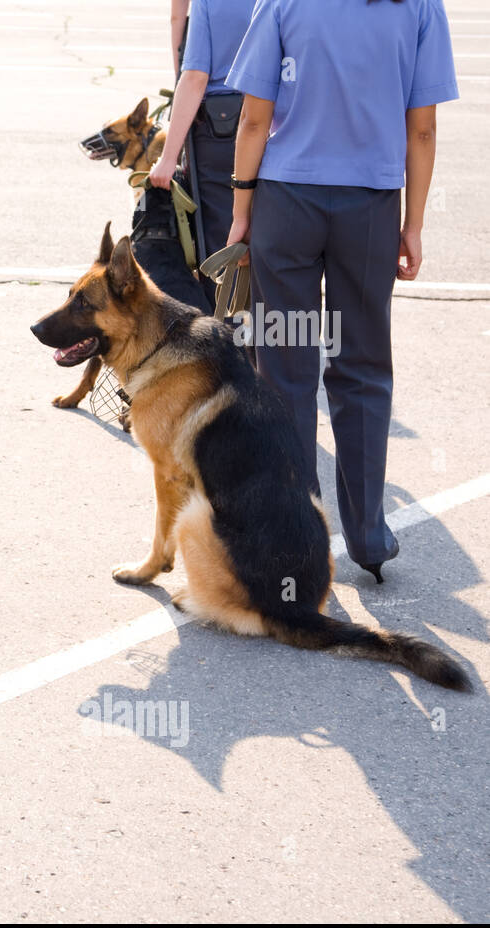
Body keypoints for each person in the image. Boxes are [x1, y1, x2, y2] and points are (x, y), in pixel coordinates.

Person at [226, 0, 458, 582]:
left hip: (287, 205)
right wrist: (414, 223)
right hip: (371, 211)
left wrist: (240, 211)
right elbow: (422, 127)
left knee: (284, 368)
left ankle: (294, 542)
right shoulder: (420, 7)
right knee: (362, 368)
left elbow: (254, 119)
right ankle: (370, 538)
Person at [149, 0, 256, 297]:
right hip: (277, 130)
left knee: (222, 248)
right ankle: (271, 337)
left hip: (219, 133)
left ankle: (230, 335)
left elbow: (194, 77)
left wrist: (169, 157)